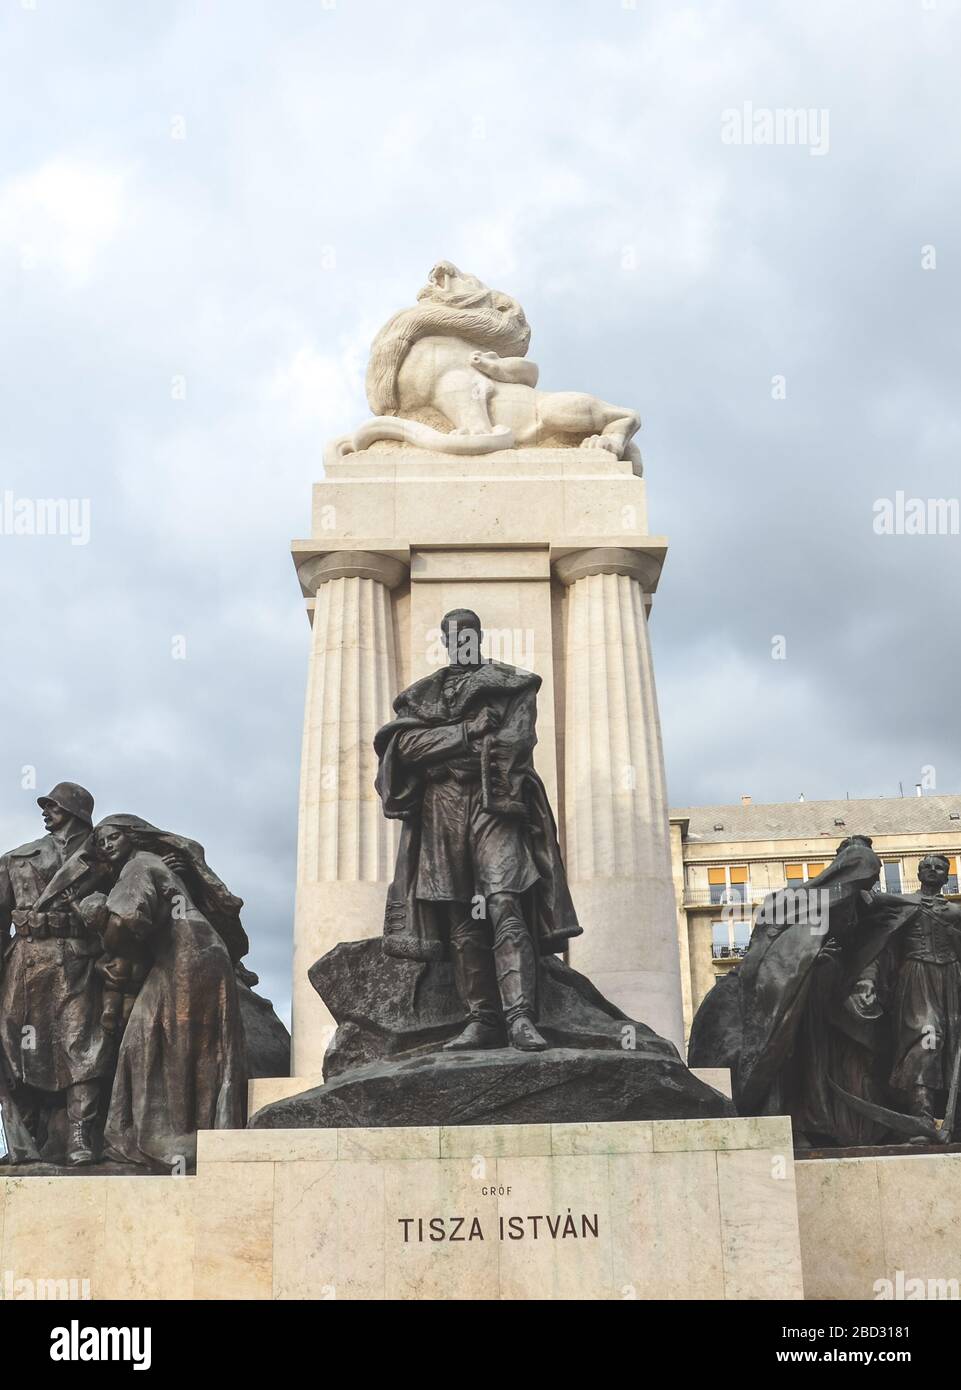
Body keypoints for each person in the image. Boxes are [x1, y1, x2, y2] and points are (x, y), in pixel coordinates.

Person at [374, 608, 581, 1051]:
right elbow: (404, 747)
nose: (460, 642)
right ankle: (481, 1019)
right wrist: (466, 733)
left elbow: (515, 743)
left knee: (505, 902)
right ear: (444, 642)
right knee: (461, 913)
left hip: (496, 803)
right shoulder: (420, 696)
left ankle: (521, 1017)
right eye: (452, 635)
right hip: (441, 808)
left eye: (467, 634)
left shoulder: (514, 685)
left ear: (479, 637)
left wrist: (445, 749)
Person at [81, 815, 246, 1170]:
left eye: (113, 837)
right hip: (197, 954)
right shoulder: (151, 864)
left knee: (159, 1038)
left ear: (133, 836)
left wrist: (96, 920)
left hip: (189, 958)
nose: (107, 845)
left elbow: (126, 921)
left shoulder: (138, 866)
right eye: (101, 842)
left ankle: (171, 1141)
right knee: (161, 1036)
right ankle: (186, 1136)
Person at [0, 782, 111, 1165]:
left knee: (81, 1045)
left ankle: (81, 1136)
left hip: (78, 958)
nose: (46, 811)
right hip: (25, 962)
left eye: (55, 806)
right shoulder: (16, 859)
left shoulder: (105, 857)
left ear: (78, 813)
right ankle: (28, 1134)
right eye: (45, 806)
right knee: (18, 1049)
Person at [885, 854, 961, 1134]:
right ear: (917, 873)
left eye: (939, 867)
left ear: (946, 876)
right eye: (926, 866)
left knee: (950, 1046)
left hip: (951, 979)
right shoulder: (904, 904)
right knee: (926, 1037)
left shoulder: (955, 913)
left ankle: (950, 1118)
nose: (932, 870)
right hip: (916, 976)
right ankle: (921, 1114)